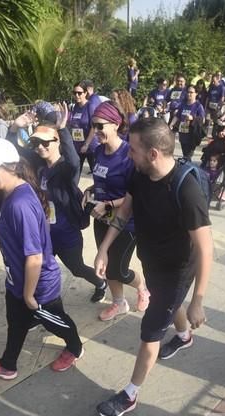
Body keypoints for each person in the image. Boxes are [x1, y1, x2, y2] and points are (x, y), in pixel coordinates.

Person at [95, 117, 213, 416]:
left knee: (150, 331)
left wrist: (198, 300)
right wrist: (104, 249)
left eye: (132, 149)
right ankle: (184, 335)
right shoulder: (139, 174)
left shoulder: (186, 190)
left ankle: (131, 393)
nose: (127, 154)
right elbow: (124, 210)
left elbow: (206, 248)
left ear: (153, 154)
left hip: (178, 270)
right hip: (152, 261)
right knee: (167, 303)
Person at [0, 139, 84, 379]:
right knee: (16, 320)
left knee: (55, 321)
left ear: (10, 167)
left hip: (37, 284)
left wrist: (29, 295)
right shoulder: (9, 193)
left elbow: (34, 257)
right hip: (19, 281)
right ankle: (8, 364)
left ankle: (75, 347)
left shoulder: (20, 203)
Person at [29, 108, 108, 302]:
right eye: (37, 143)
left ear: (57, 142)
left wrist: (63, 130)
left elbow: (74, 162)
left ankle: (101, 283)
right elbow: (17, 151)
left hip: (66, 234)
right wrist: (15, 128)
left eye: (45, 142)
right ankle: (42, 307)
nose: (40, 147)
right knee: (39, 270)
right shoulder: (38, 166)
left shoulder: (65, 169)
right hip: (44, 233)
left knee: (77, 268)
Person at [84, 101, 149, 321]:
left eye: (100, 126)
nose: (96, 131)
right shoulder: (97, 151)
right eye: (93, 126)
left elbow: (137, 194)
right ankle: (119, 302)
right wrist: (90, 190)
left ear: (115, 124)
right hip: (101, 217)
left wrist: (110, 203)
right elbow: (101, 180)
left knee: (117, 270)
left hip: (127, 222)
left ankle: (142, 287)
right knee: (105, 264)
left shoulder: (128, 155)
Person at [169, 86, 206, 161]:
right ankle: (188, 168)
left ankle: (189, 170)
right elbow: (177, 116)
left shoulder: (198, 106)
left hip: (192, 134)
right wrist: (171, 124)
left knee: (188, 156)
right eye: (188, 92)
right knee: (185, 154)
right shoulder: (183, 105)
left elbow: (203, 120)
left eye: (191, 92)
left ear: (196, 94)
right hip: (182, 132)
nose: (189, 94)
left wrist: (192, 118)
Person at [69, 82, 99, 174]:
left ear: (86, 93)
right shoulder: (75, 107)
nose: (77, 95)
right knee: (74, 174)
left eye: (79, 93)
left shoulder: (90, 106)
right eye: (74, 93)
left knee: (96, 175)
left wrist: (86, 144)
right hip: (77, 146)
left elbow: (94, 127)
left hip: (90, 147)